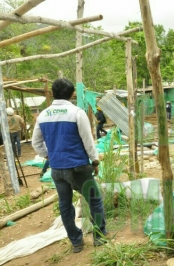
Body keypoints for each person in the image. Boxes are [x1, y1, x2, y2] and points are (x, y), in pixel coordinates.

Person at [32, 78, 107, 253]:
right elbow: (88, 142)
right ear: (72, 94)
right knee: (94, 200)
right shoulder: (77, 113)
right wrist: (94, 161)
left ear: (52, 93)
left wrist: (50, 156)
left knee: (65, 205)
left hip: (57, 170)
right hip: (78, 167)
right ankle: (99, 237)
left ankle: (76, 242)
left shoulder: (43, 115)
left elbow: (36, 144)